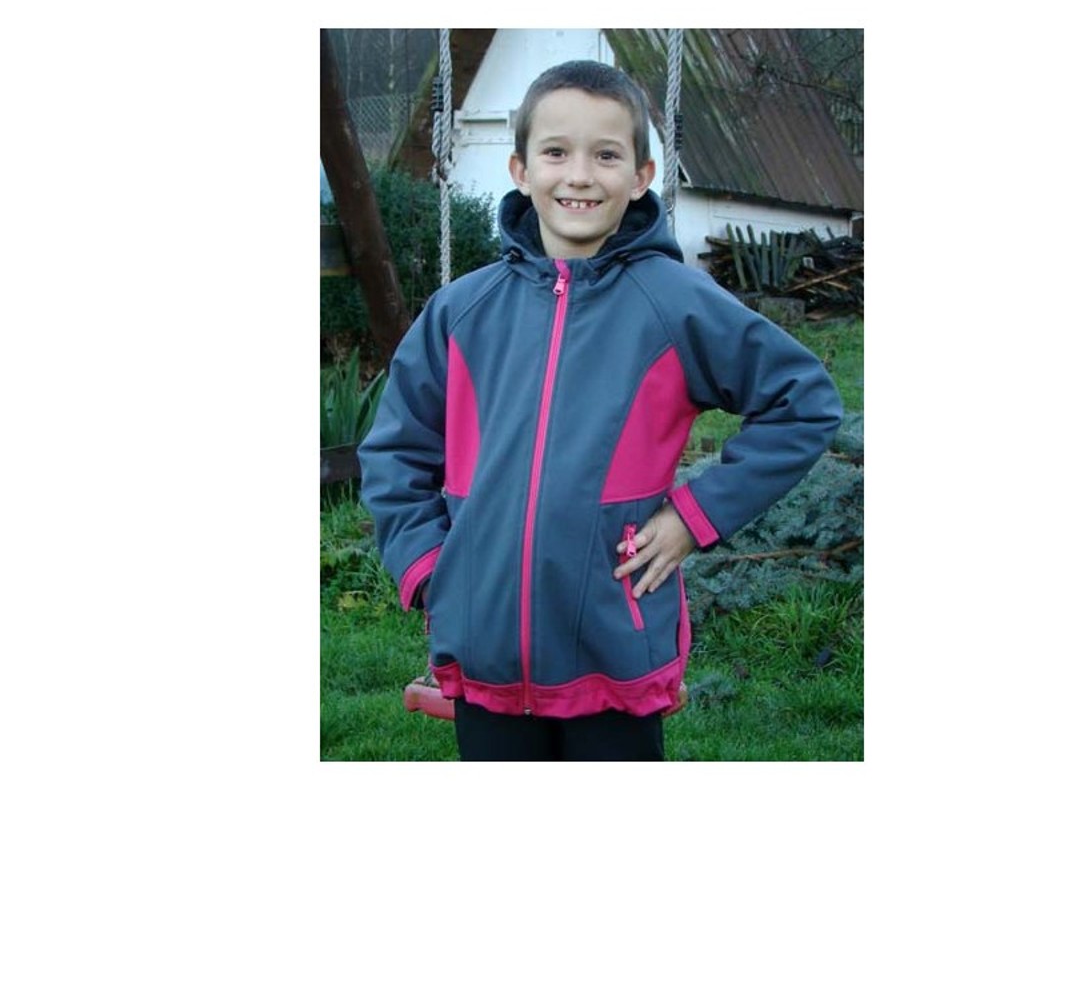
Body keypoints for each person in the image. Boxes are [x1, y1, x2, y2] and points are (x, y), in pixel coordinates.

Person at [358, 59, 843, 761]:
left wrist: (692, 516)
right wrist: (431, 569)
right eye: (556, 152)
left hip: (616, 648)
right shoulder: (461, 311)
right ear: (521, 169)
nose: (580, 176)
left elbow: (804, 401)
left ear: (642, 176)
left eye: (606, 155)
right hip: (484, 646)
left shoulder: (674, 302)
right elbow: (395, 450)